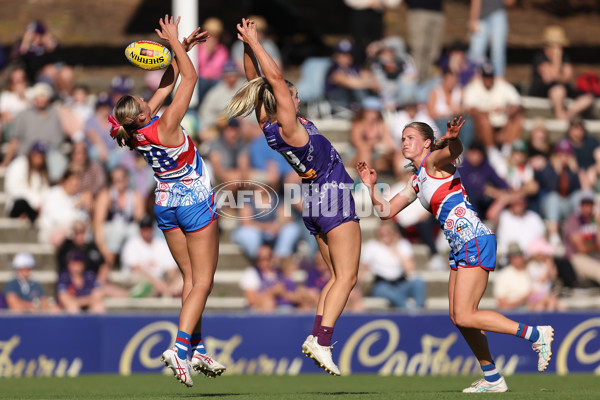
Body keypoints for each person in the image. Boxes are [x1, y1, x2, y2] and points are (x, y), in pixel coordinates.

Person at [357, 117, 554, 392]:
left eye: (410, 137)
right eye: (402, 138)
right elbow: (385, 212)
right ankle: (493, 378)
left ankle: (535, 334)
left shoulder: (433, 162)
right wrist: (370, 187)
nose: (404, 142)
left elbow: (455, 151)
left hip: (474, 239)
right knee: (458, 316)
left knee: (464, 315)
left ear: (427, 143)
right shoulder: (417, 179)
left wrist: (451, 137)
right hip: (460, 246)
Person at [225, 18, 362, 376]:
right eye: (292, 94)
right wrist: (256, 43)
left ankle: (318, 336)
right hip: (332, 197)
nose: (297, 97)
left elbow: (256, 83)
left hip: (314, 202)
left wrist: (244, 45)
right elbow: (270, 80)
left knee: (335, 278)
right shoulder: (289, 124)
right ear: (284, 99)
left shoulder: (268, 125)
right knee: (347, 278)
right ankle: (323, 340)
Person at [108, 15, 225, 386]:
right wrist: (174, 42)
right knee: (203, 281)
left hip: (165, 202)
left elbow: (168, 82)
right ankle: (178, 348)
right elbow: (189, 80)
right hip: (192, 200)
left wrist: (181, 50)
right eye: (144, 101)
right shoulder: (166, 125)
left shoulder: (135, 131)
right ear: (141, 113)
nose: (149, 98)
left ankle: (196, 346)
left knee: (190, 279)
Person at [529, 25, 594, 121]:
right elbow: (552, 76)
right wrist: (557, 60)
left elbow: (567, 77)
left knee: (588, 97)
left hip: (562, 88)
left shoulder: (565, 57)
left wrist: (559, 73)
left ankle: (566, 116)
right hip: (542, 90)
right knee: (559, 90)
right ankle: (560, 116)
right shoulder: (539, 57)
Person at [360, 221, 426, 309]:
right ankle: (409, 309)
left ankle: (419, 308)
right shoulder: (372, 245)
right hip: (382, 285)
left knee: (418, 281)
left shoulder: (403, 244)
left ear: (394, 233)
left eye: (388, 232)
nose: (384, 235)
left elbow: (410, 269)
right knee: (385, 291)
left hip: (401, 283)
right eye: (381, 233)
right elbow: (362, 269)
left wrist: (395, 248)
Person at [120, 215, 182, 298]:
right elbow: (135, 269)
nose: (146, 231)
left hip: (160, 280)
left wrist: (170, 281)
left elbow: (171, 268)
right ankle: (134, 294)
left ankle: (170, 290)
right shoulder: (132, 244)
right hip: (141, 280)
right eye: (143, 228)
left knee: (184, 277)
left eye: (148, 227)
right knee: (142, 280)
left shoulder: (161, 244)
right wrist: (156, 282)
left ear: (153, 229)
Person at [468, 0, 514, 78]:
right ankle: (472, 79)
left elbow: (510, 2)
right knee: (476, 53)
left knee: (497, 52)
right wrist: (473, 19)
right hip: (481, 17)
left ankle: (498, 79)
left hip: (498, 14)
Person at [56, 249, 106, 314]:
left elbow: (98, 294)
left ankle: (95, 324)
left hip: (88, 305)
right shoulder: (64, 276)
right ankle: (76, 324)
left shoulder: (90, 275)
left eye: (79, 263)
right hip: (72, 307)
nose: (76, 266)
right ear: (68, 264)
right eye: (73, 263)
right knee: (72, 308)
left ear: (84, 264)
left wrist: (80, 301)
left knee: (99, 307)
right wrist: (87, 300)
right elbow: (63, 297)